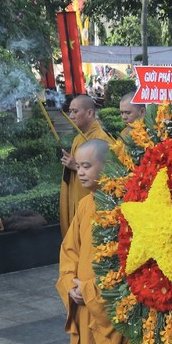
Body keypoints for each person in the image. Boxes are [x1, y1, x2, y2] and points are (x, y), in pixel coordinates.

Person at [56, 139, 123, 344]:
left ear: (106, 167)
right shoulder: (86, 205)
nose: (79, 172)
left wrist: (91, 290)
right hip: (82, 300)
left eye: (86, 166)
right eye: (78, 166)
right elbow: (69, 250)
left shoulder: (123, 207)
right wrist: (70, 282)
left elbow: (126, 262)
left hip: (107, 304)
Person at [59, 95, 111, 237]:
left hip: (94, 204)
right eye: (70, 111)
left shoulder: (101, 139)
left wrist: (75, 166)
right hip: (77, 197)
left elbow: (108, 173)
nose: (71, 116)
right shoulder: (78, 138)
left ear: (89, 113)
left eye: (75, 111)